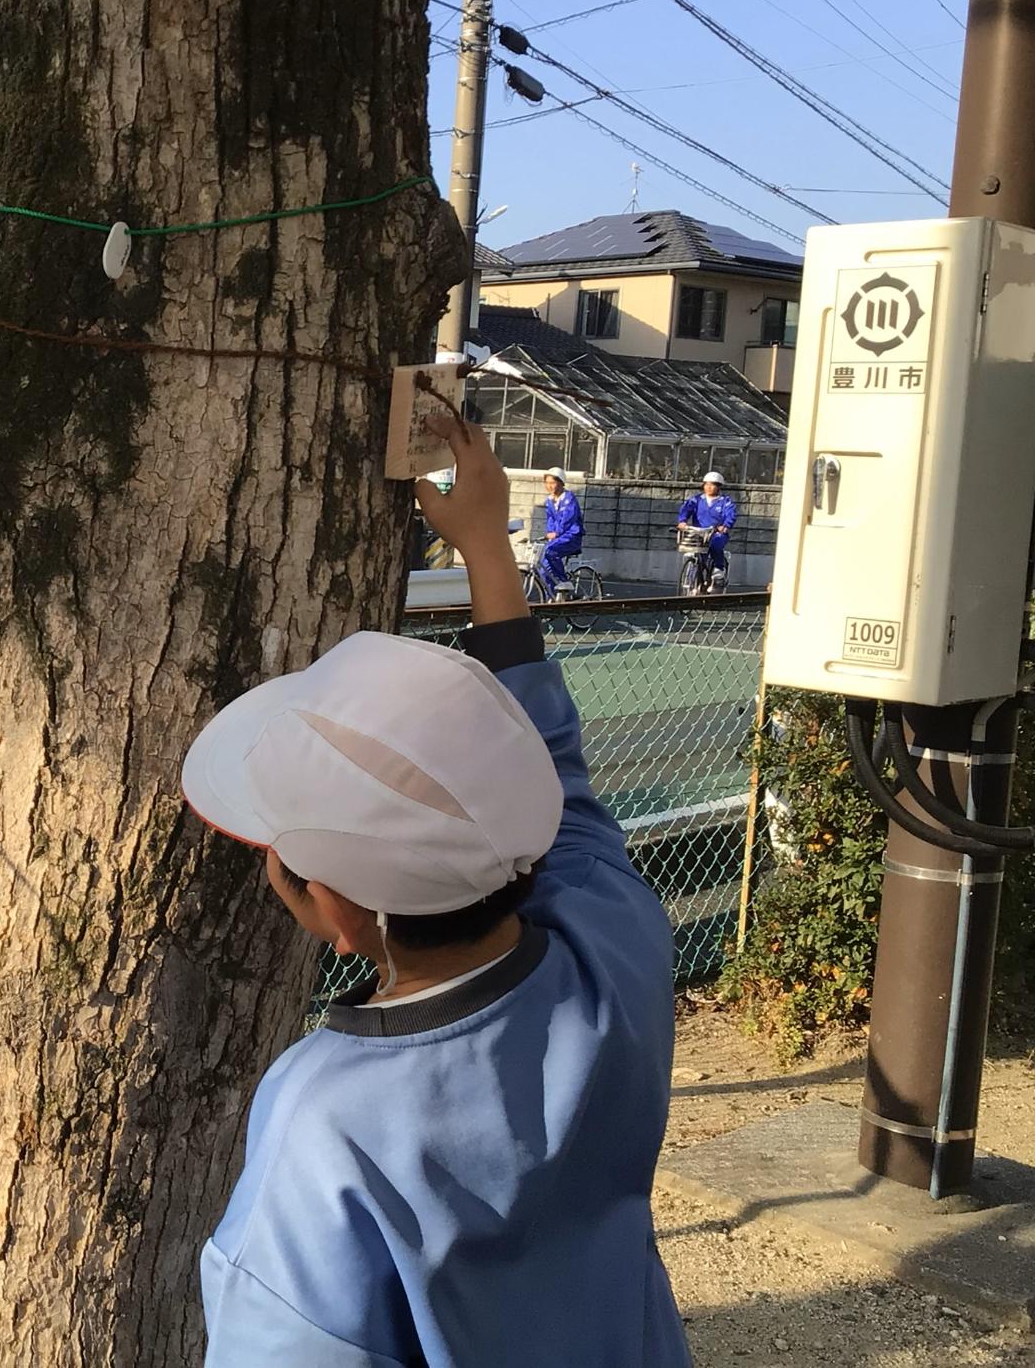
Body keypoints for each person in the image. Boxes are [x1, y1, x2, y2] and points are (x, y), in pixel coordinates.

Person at [184, 414, 689, 1367]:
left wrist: (485, 542)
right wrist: (489, 542)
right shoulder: (612, 940)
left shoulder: (324, 1117)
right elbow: (557, 779)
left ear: (333, 911)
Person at [677, 472, 737, 590]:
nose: (709, 487)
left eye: (713, 485)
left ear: (719, 487)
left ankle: (719, 570)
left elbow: (731, 514)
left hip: (716, 532)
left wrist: (725, 525)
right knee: (697, 551)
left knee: (716, 545)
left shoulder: (725, 501)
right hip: (698, 532)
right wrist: (682, 521)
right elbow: (686, 509)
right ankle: (697, 578)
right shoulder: (697, 500)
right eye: (707, 484)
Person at [540, 465, 584, 597]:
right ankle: (551, 597)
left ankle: (564, 582)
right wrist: (550, 533)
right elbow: (550, 520)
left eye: (553, 483)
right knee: (542, 567)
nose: (549, 486)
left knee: (550, 550)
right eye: (547, 483)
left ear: (561, 483)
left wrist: (557, 533)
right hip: (558, 538)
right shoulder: (549, 501)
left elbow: (568, 519)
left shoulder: (568, 499)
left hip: (571, 537)